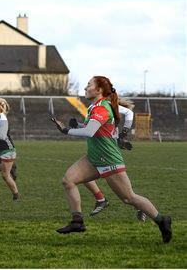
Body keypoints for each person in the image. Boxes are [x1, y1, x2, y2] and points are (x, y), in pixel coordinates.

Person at [51, 76, 172, 243]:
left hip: (108, 158)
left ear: (99, 90)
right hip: (94, 157)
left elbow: (90, 132)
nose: (85, 88)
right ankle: (77, 221)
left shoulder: (102, 108)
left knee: (128, 198)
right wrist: (76, 126)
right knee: (68, 180)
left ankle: (161, 220)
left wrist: (66, 131)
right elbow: (93, 129)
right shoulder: (95, 107)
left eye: (88, 85)